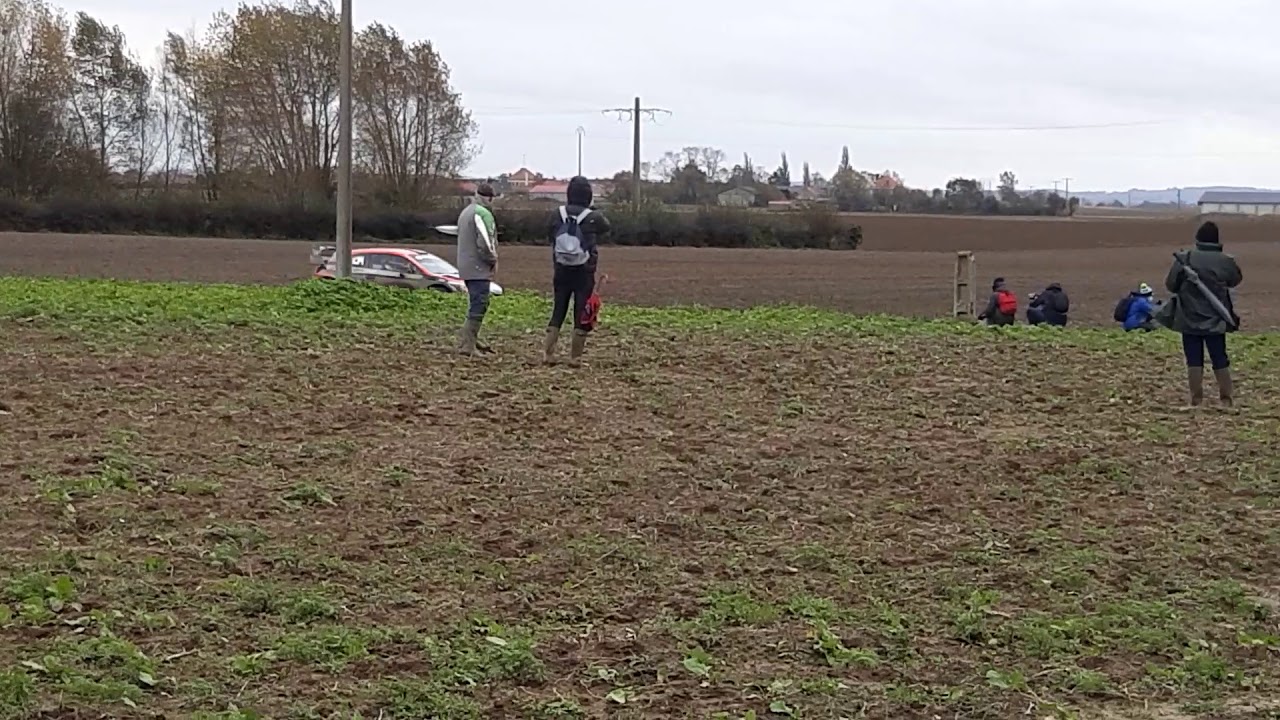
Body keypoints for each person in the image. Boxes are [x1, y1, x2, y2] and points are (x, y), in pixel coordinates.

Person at [1156, 221, 1242, 407]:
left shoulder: (1185, 259)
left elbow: (1171, 285)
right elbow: (1234, 280)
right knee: (1219, 357)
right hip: (1217, 318)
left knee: (1193, 358)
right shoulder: (1226, 261)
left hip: (1189, 317)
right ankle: (1226, 399)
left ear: (1198, 239)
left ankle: (1196, 400)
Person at [543, 176, 610, 365]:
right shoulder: (593, 217)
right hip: (584, 271)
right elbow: (607, 227)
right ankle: (575, 357)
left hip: (561, 269)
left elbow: (550, 233)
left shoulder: (557, 214)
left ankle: (548, 354)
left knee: (558, 309)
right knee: (581, 311)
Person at [454, 183, 498, 356]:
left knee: (478, 302)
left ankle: (472, 339)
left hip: (466, 265)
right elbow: (485, 243)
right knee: (479, 304)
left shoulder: (466, 212)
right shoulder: (482, 213)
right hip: (478, 267)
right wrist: (492, 260)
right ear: (488, 197)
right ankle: (468, 344)